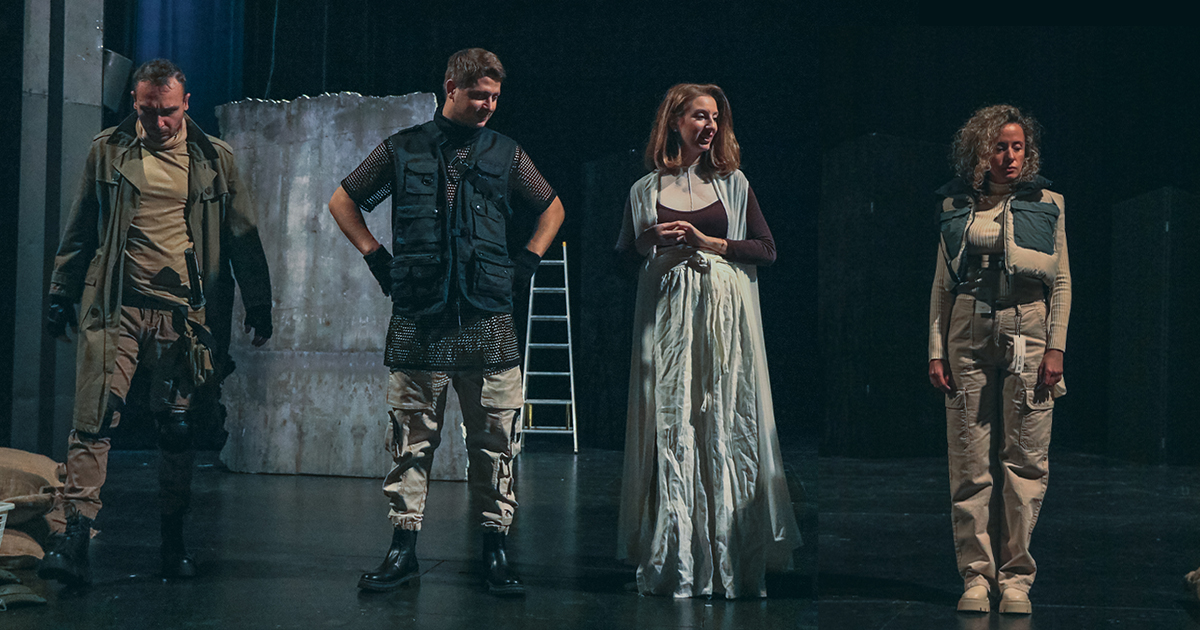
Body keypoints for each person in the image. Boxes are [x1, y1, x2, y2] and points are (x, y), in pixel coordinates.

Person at [328, 48, 564, 597]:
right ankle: (403, 549)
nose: (488, 105)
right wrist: (375, 257)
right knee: (411, 441)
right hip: (421, 318)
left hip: (487, 317)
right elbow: (343, 200)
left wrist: (527, 262)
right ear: (451, 88)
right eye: (479, 95)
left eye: (495, 97)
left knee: (495, 442)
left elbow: (552, 207)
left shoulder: (506, 153)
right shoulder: (402, 148)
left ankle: (495, 549)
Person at [39, 58, 273, 585]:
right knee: (94, 419)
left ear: (186, 104)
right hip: (116, 305)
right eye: (147, 111)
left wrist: (259, 302)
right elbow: (81, 225)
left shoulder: (214, 159)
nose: (158, 122)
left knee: (177, 428)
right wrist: (62, 291)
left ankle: (173, 541)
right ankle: (72, 538)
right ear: (135, 103)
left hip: (182, 316)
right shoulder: (109, 149)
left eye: (168, 111)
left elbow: (243, 235)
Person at [614, 83, 801, 599]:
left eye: (715, 117)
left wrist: (708, 242)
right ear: (675, 121)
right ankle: (677, 557)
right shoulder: (644, 189)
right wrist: (648, 240)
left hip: (723, 323)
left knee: (722, 421)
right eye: (700, 116)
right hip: (668, 323)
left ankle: (730, 556)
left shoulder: (733, 184)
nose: (710, 126)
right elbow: (622, 260)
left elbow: (766, 249)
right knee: (672, 425)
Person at [928, 104, 1070, 615]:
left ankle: (1015, 580)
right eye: (999, 147)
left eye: (1018, 147)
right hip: (968, 326)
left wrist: (1056, 346)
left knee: (1025, 460)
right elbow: (942, 284)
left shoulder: (1047, 202)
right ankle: (975, 575)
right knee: (969, 460)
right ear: (979, 151)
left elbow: (1061, 281)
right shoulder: (955, 205)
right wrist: (936, 349)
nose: (1010, 157)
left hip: (1027, 325)